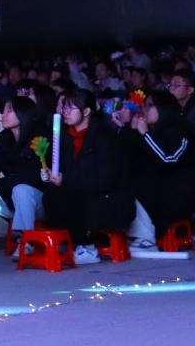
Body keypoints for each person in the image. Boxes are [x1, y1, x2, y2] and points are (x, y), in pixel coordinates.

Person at [42, 88, 134, 265]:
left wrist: (66, 180)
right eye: (64, 107)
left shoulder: (103, 136)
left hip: (108, 197)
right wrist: (52, 175)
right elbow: (64, 170)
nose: (65, 112)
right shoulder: (66, 136)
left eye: (71, 108)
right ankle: (70, 240)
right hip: (79, 190)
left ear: (86, 111)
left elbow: (106, 179)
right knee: (52, 196)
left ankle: (87, 246)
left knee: (78, 198)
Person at [120, 90, 195, 248]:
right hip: (160, 185)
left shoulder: (181, 130)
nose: (144, 110)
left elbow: (168, 160)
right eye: (144, 105)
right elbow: (130, 159)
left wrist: (145, 134)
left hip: (179, 192)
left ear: (164, 108)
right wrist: (127, 128)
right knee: (125, 177)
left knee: (140, 182)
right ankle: (136, 232)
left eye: (150, 105)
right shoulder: (153, 130)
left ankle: (146, 236)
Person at [0, 96, 48, 253]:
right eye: (4, 110)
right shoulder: (4, 139)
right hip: (12, 200)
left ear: (23, 114)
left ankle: (26, 240)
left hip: (42, 200)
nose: (4, 114)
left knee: (22, 189)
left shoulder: (39, 139)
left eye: (10, 111)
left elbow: (33, 176)